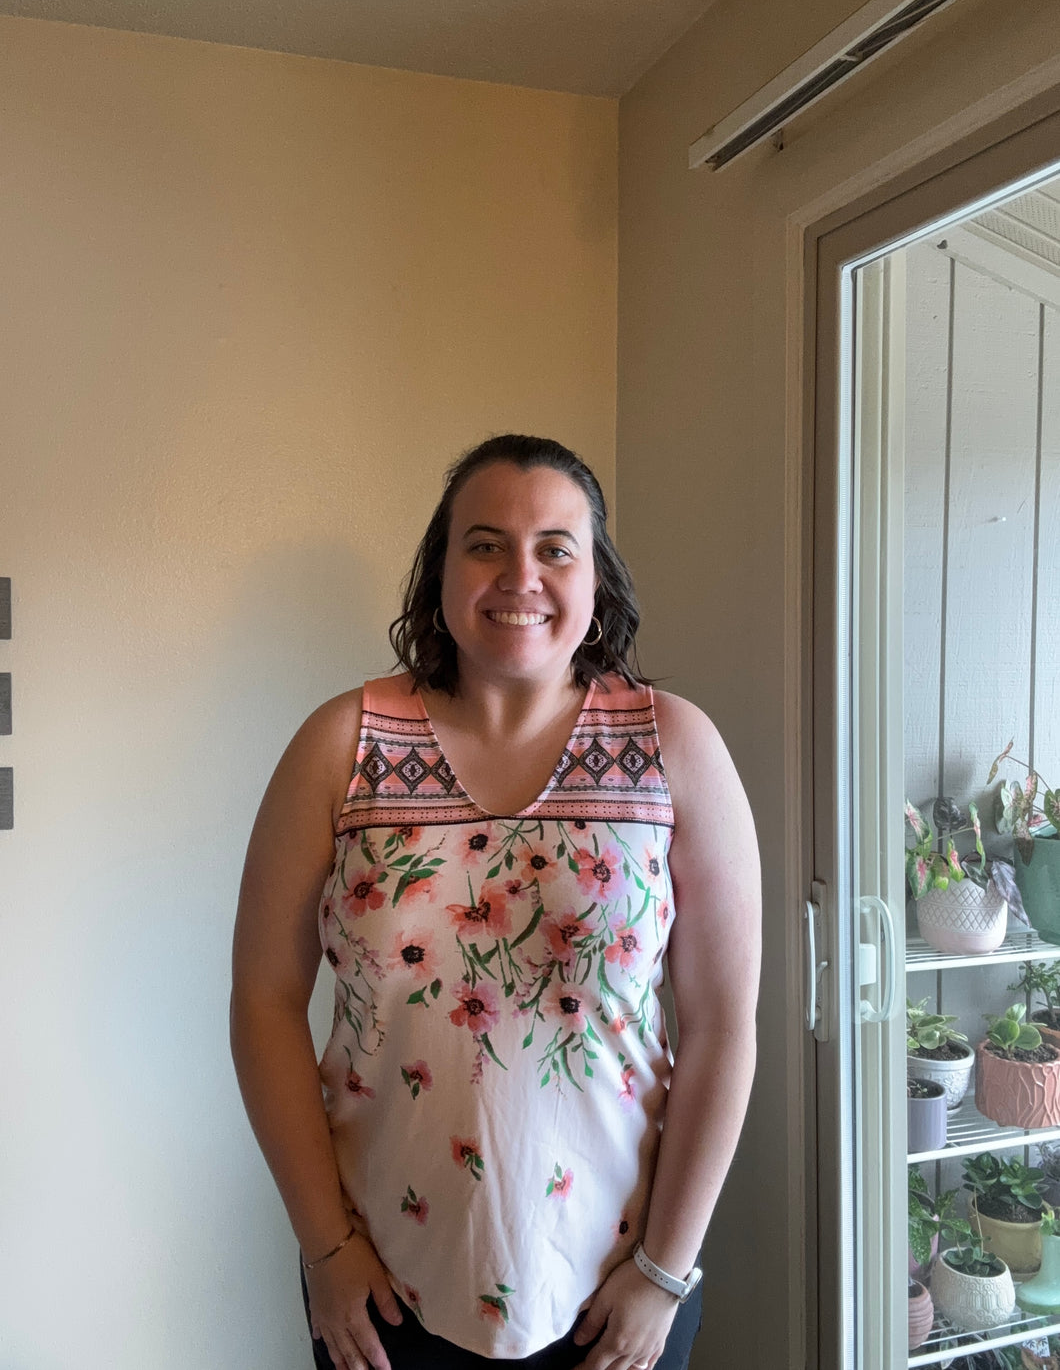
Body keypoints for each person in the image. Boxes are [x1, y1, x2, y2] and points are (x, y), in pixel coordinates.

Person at [231, 434, 760, 1370]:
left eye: (556, 546)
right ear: (441, 570)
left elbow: (722, 1025)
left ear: (597, 577)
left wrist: (665, 1274)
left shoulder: (675, 749)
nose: (521, 573)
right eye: (485, 543)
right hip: (382, 1297)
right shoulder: (340, 744)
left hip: (618, 1301)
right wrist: (326, 1247)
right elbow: (264, 1002)